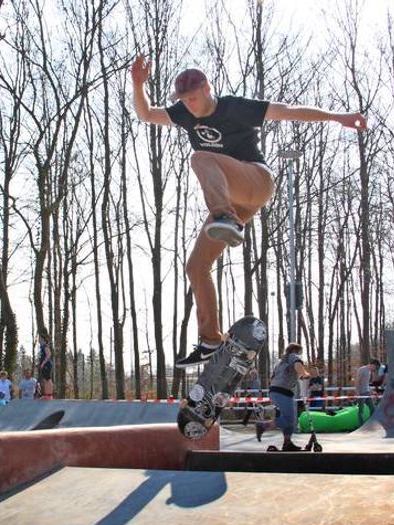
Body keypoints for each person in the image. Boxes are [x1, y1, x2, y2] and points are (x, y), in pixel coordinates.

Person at [131, 56, 366, 368]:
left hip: (256, 181)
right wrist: (138, 84)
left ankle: (225, 218)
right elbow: (146, 114)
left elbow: (288, 111)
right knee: (196, 266)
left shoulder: (235, 107)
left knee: (200, 158)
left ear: (207, 89)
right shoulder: (183, 114)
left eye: (193, 98)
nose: (189, 106)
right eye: (184, 101)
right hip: (232, 203)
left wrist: (338, 117)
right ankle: (211, 338)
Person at [257, 343, 311, 449]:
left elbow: (280, 375)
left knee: (289, 418)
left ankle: (287, 442)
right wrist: (305, 374)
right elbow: (298, 365)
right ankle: (262, 426)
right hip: (282, 391)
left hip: (275, 390)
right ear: (296, 351)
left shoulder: (281, 361)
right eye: (300, 352)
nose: (300, 354)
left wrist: (297, 377)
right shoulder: (293, 357)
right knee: (289, 419)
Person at [37, 332, 54, 399]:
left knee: (48, 379)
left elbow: (49, 354)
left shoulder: (45, 346)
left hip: (47, 365)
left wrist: (43, 363)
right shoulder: (41, 347)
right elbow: (42, 356)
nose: (39, 340)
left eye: (40, 339)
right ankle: (46, 394)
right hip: (44, 365)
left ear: (43, 339)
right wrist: (39, 364)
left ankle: (49, 394)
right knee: (45, 379)